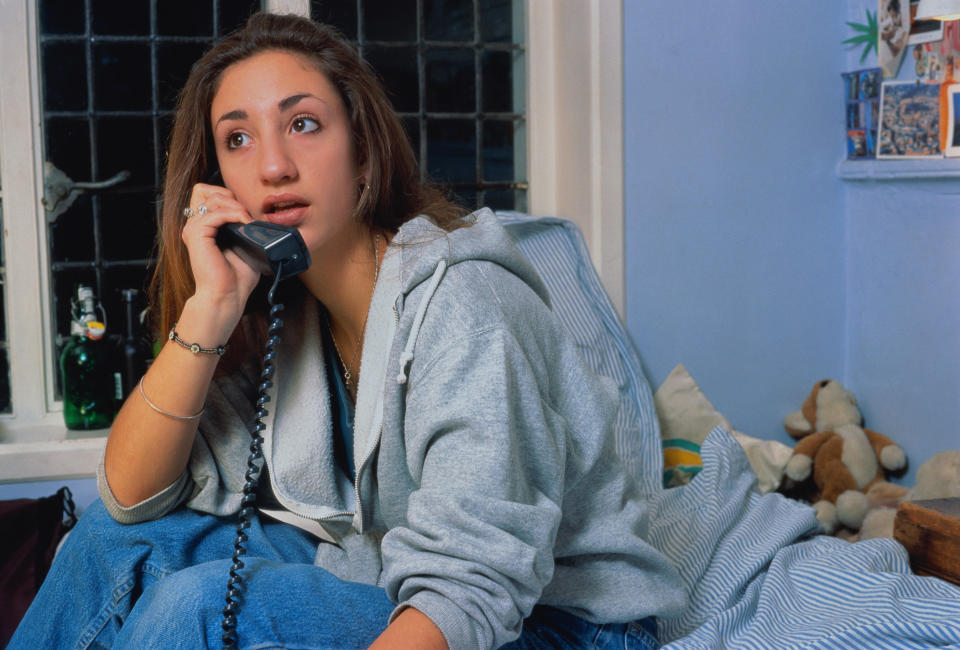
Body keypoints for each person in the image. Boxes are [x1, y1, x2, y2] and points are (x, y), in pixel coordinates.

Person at [10, 12, 686, 650]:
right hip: (389, 571)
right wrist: (211, 305)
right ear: (219, 184)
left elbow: (472, 587)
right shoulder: (293, 315)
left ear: (363, 153)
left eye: (303, 124)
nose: (273, 165)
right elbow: (131, 498)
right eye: (238, 139)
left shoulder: (465, 302)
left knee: (201, 605)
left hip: (560, 623)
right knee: (106, 541)